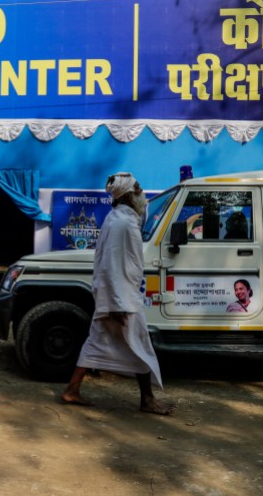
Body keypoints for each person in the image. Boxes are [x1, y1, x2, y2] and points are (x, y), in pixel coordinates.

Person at [61, 173, 175, 415]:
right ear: (127, 195)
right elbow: (111, 265)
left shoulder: (120, 219)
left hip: (118, 295)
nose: (142, 194)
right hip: (121, 298)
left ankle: (72, 389)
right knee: (141, 344)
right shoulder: (122, 223)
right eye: (138, 189)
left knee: (96, 342)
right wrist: (116, 303)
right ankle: (147, 400)